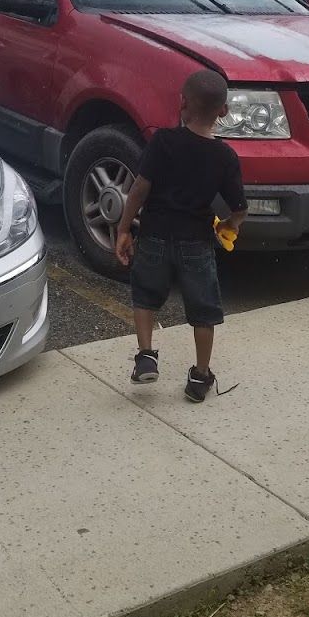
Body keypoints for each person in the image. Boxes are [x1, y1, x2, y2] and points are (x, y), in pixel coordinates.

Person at [115, 70, 247, 402]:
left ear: (183, 103)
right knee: (203, 309)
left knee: (145, 294)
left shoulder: (163, 142)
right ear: (223, 111)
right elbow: (240, 208)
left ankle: (146, 355)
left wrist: (123, 229)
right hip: (196, 242)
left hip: (155, 236)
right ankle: (200, 377)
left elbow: (138, 190)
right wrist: (227, 226)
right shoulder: (225, 157)